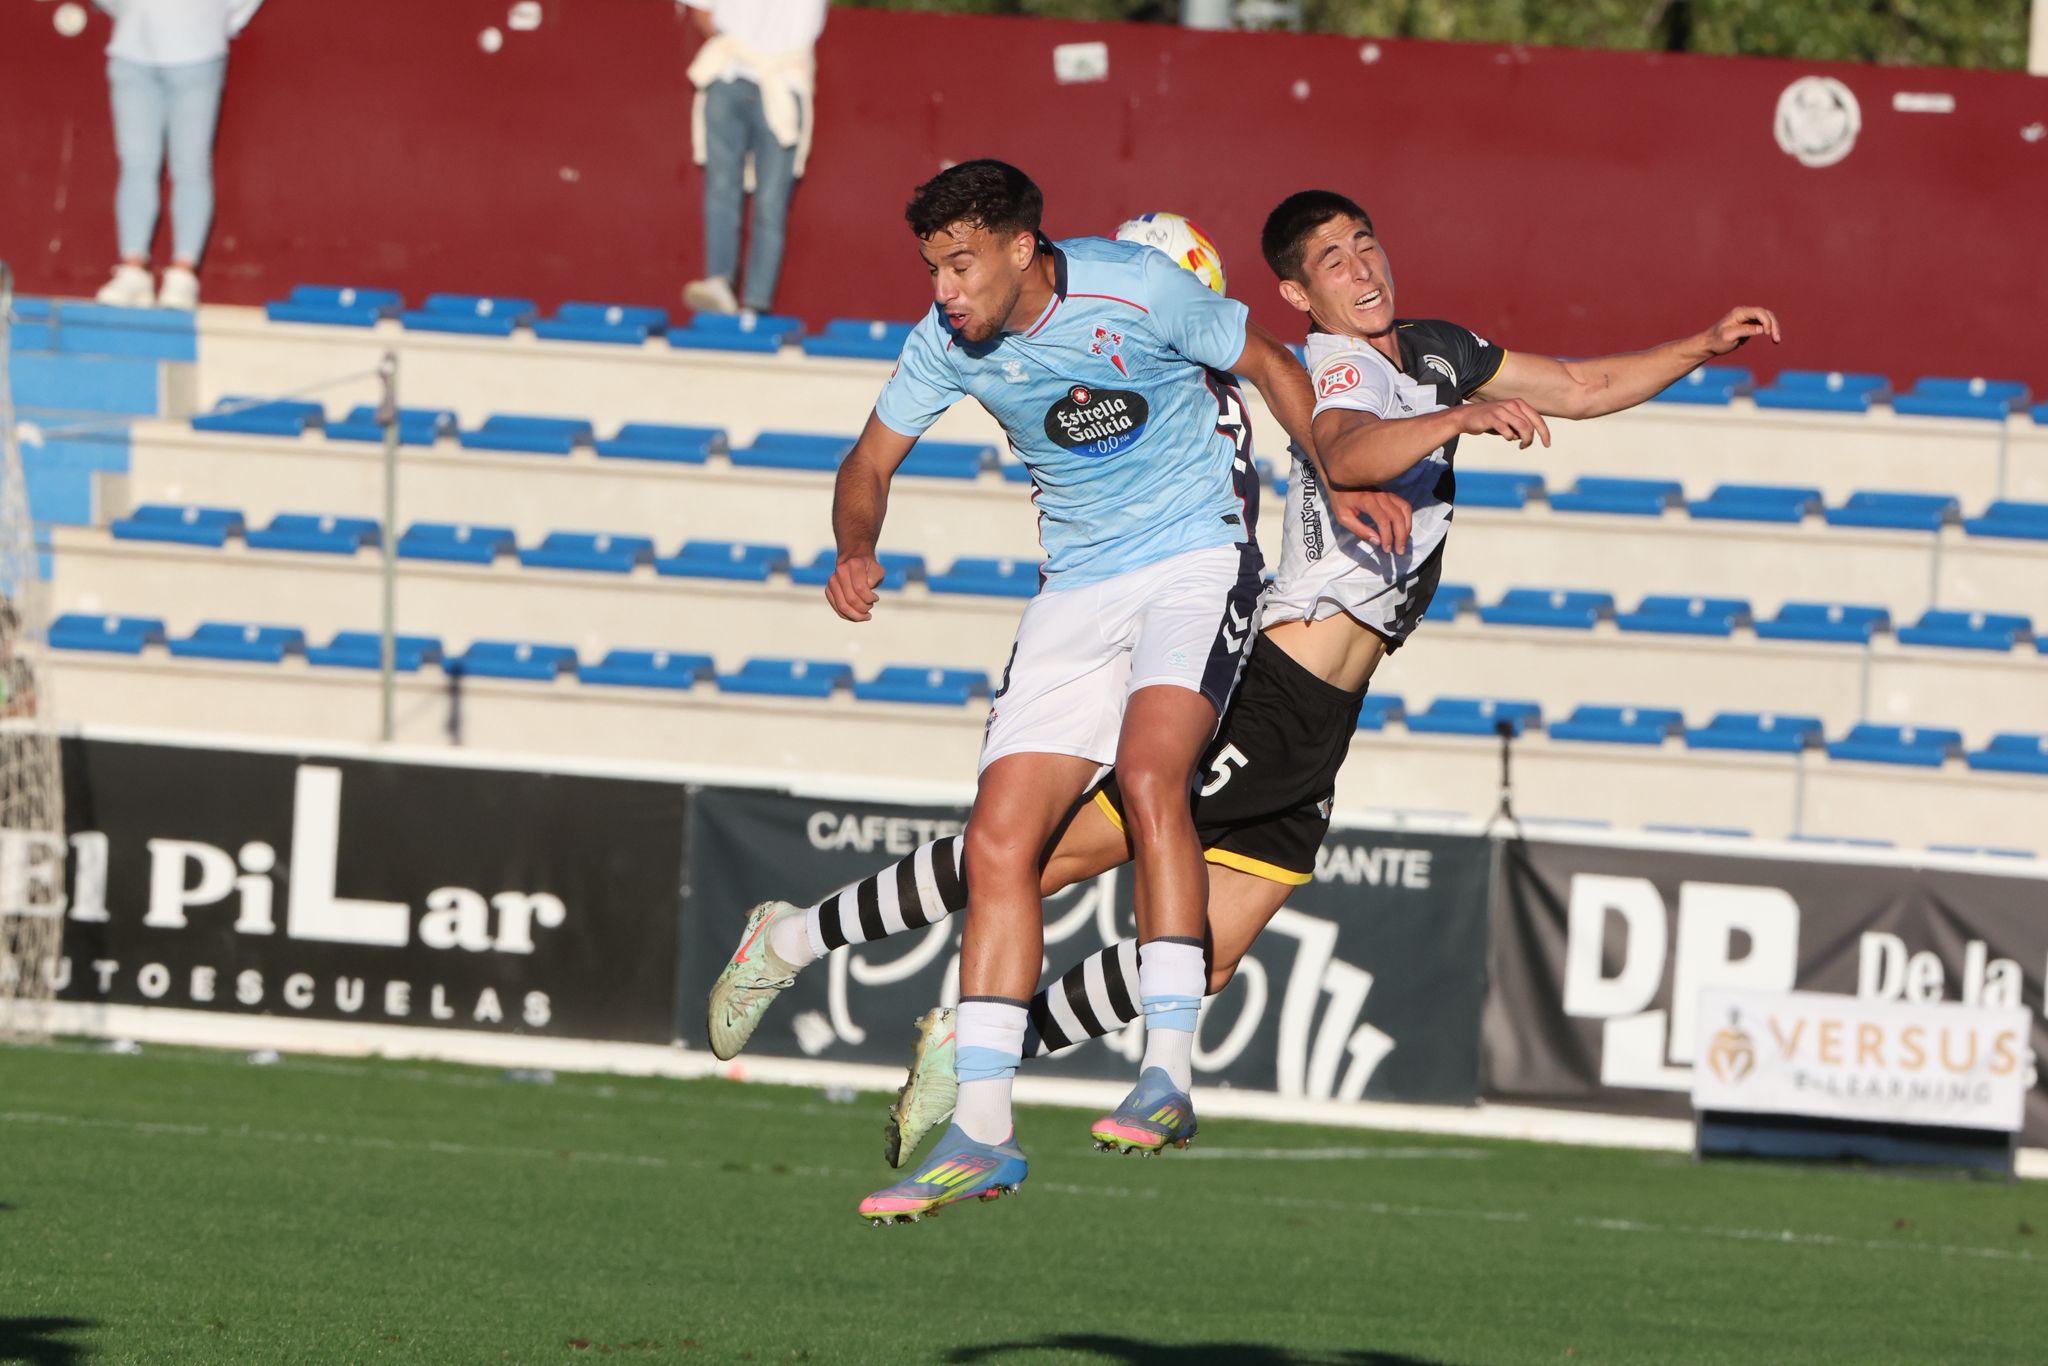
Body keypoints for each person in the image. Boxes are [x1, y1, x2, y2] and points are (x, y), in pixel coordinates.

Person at [709, 188, 1781, 1219]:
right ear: (1293, 297)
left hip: (1323, 728)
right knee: (1032, 856)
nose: (1360, 268)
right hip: (1267, 690)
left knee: (1204, 957)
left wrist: (1693, 345)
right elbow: (1348, 447)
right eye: (1330, 259)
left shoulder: (1440, 350)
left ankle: (990, 1041)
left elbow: (1584, 389)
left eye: (1365, 244)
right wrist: (1461, 417)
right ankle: (798, 937)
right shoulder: (1328, 371)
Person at [711, 160, 1395, 1226]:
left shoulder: (1137, 286)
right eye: (932, 267)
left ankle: (1164, 1073)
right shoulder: (942, 344)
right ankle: (981, 1132)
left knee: (1149, 770)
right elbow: (867, 461)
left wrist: (1342, 474)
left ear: (1021, 249)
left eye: (958, 264)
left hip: (1192, 563)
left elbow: (1264, 356)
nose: (942, 289)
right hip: (1077, 587)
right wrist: (854, 547)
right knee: (995, 845)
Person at [91, 0, 264, 310]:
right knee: (136, 164)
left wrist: (218, 19)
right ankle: (133, 269)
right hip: (132, 48)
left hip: (198, 51)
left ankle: (183, 275)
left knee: (191, 166)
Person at [680, 0, 826, 317]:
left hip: (774, 80)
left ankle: (750, 303)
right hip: (742, 75)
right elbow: (702, 13)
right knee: (748, 197)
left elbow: (702, 16)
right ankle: (728, 292)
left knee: (751, 198)